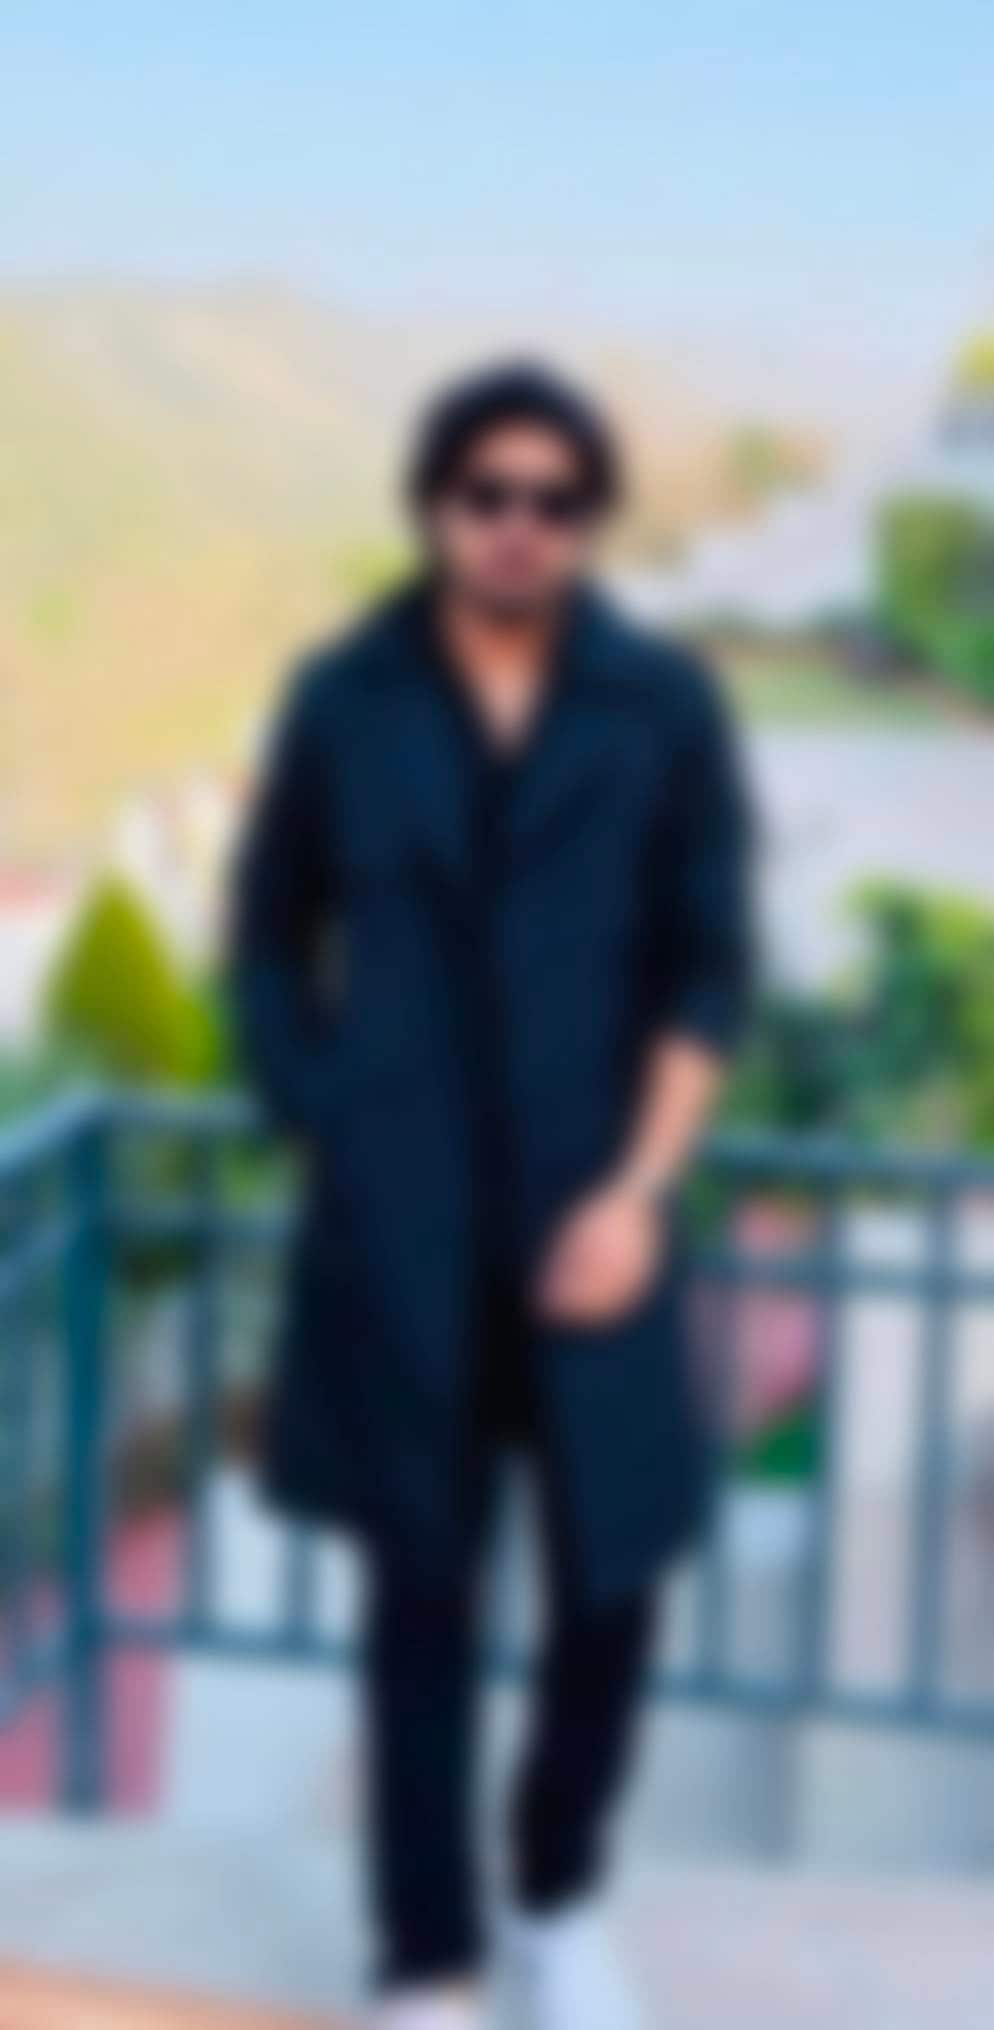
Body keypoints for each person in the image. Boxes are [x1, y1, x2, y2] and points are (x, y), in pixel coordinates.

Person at [232, 361, 752, 2029]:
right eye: (488, 493)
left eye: (556, 500)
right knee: (421, 1598)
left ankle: (554, 1896)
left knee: (612, 1591)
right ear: (434, 503)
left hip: (599, 1221)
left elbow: (710, 968)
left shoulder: (660, 704)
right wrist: (323, 1110)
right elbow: (265, 934)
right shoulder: (343, 699)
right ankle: (426, 1955)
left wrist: (640, 1190)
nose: (520, 526)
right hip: (403, 1238)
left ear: (589, 521)